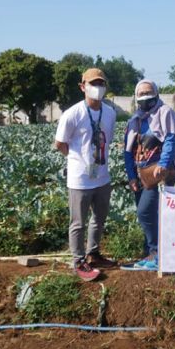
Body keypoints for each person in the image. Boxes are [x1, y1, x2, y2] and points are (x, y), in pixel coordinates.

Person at [55, 68, 117, 281]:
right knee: (78, 222)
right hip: (79, 179)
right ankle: (78, 261)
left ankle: (94, 254)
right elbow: (60, 144)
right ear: (82, 86)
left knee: (99, 219)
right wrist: (77, 161)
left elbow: (107, 140)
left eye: (101, 83)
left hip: (102, 176)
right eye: (92, 83)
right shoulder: (72, 114)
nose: (97, 88)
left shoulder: (110, 113)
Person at [122, 80, 175, 271]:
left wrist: (164, 163)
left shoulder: (165, 113)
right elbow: (127, 150)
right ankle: (150, 251)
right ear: (136, 96)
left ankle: (157, 254)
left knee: (145, 212)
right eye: (141, 93)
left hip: (158, 173)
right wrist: (132, 176)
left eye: (149, 92)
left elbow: (172, 139)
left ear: (156, 94)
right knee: (149, 214)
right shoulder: (135, 119)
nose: (145, 96)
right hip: (141, 174)